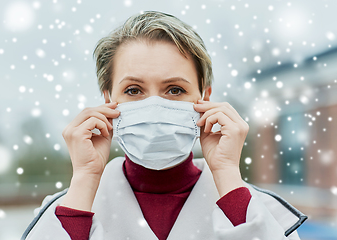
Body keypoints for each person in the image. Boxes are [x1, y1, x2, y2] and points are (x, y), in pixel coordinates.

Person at [21, 11, 307, 240]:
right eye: (133, 90)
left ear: (204, 97)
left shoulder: (258, 210)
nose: (154, 106)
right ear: (108, 99)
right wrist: (84, 178)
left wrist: (227, 173)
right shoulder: (67, 210)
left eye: (174, 90)